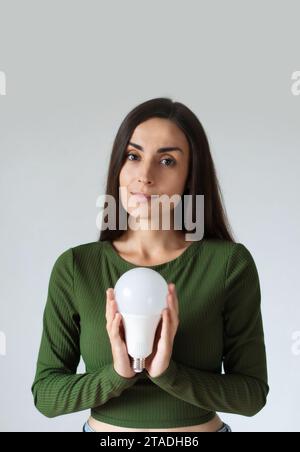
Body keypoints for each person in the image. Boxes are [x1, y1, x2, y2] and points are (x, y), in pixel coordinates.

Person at [31, 98, 269, 432]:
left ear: (190, 177)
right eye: (133, 156)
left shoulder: (229, 264)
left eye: (167, 160)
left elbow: (252, 395)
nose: (145, 176)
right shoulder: (76, 267)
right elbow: (46, 395)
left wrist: (169, 373)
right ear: (118, 166)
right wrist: (116, 374)